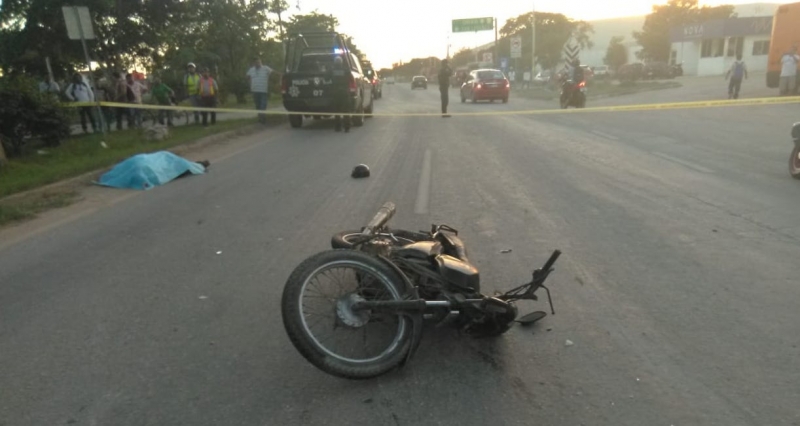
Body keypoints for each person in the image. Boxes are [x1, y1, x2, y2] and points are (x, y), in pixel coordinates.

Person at [246, 57, 275, 123]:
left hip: (263, 90)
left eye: (259, 62)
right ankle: (260, 117)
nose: (258, 64)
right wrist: (250, 83)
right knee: (257, 105)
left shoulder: (266, 68)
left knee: (263, 104)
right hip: (255, 90)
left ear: (261, 62)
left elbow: (273, 73)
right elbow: (247, 77)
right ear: (254, 63)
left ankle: (262, 118)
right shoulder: (251, 70)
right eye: (256, 63)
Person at [331, 55, 351, 133]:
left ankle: (338, 127)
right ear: (341, 62)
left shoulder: (332, 70)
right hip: (345, 93)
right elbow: (350, 78)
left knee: (337, 111)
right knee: (346, 111)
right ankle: (347, 127)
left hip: (335, 93)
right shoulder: (346, 70)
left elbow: (326, 77)